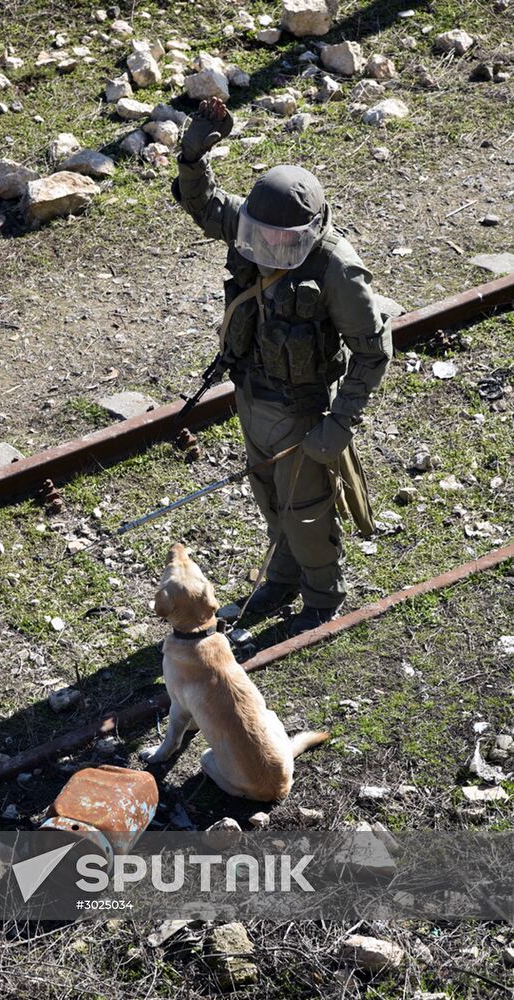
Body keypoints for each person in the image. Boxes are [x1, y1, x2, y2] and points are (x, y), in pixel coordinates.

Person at [172, 97, 393, 636]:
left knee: (308, 509)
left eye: (282, 243)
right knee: (271, 498)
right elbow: (203, 205)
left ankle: (321, 599)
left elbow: (372, 352)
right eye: (261, 238)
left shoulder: (338, 269)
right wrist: (192, 157)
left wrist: (335, 429)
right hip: (251, 395)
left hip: (300, 411)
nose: (269, 250)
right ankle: (283, 579)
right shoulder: (255, 231)